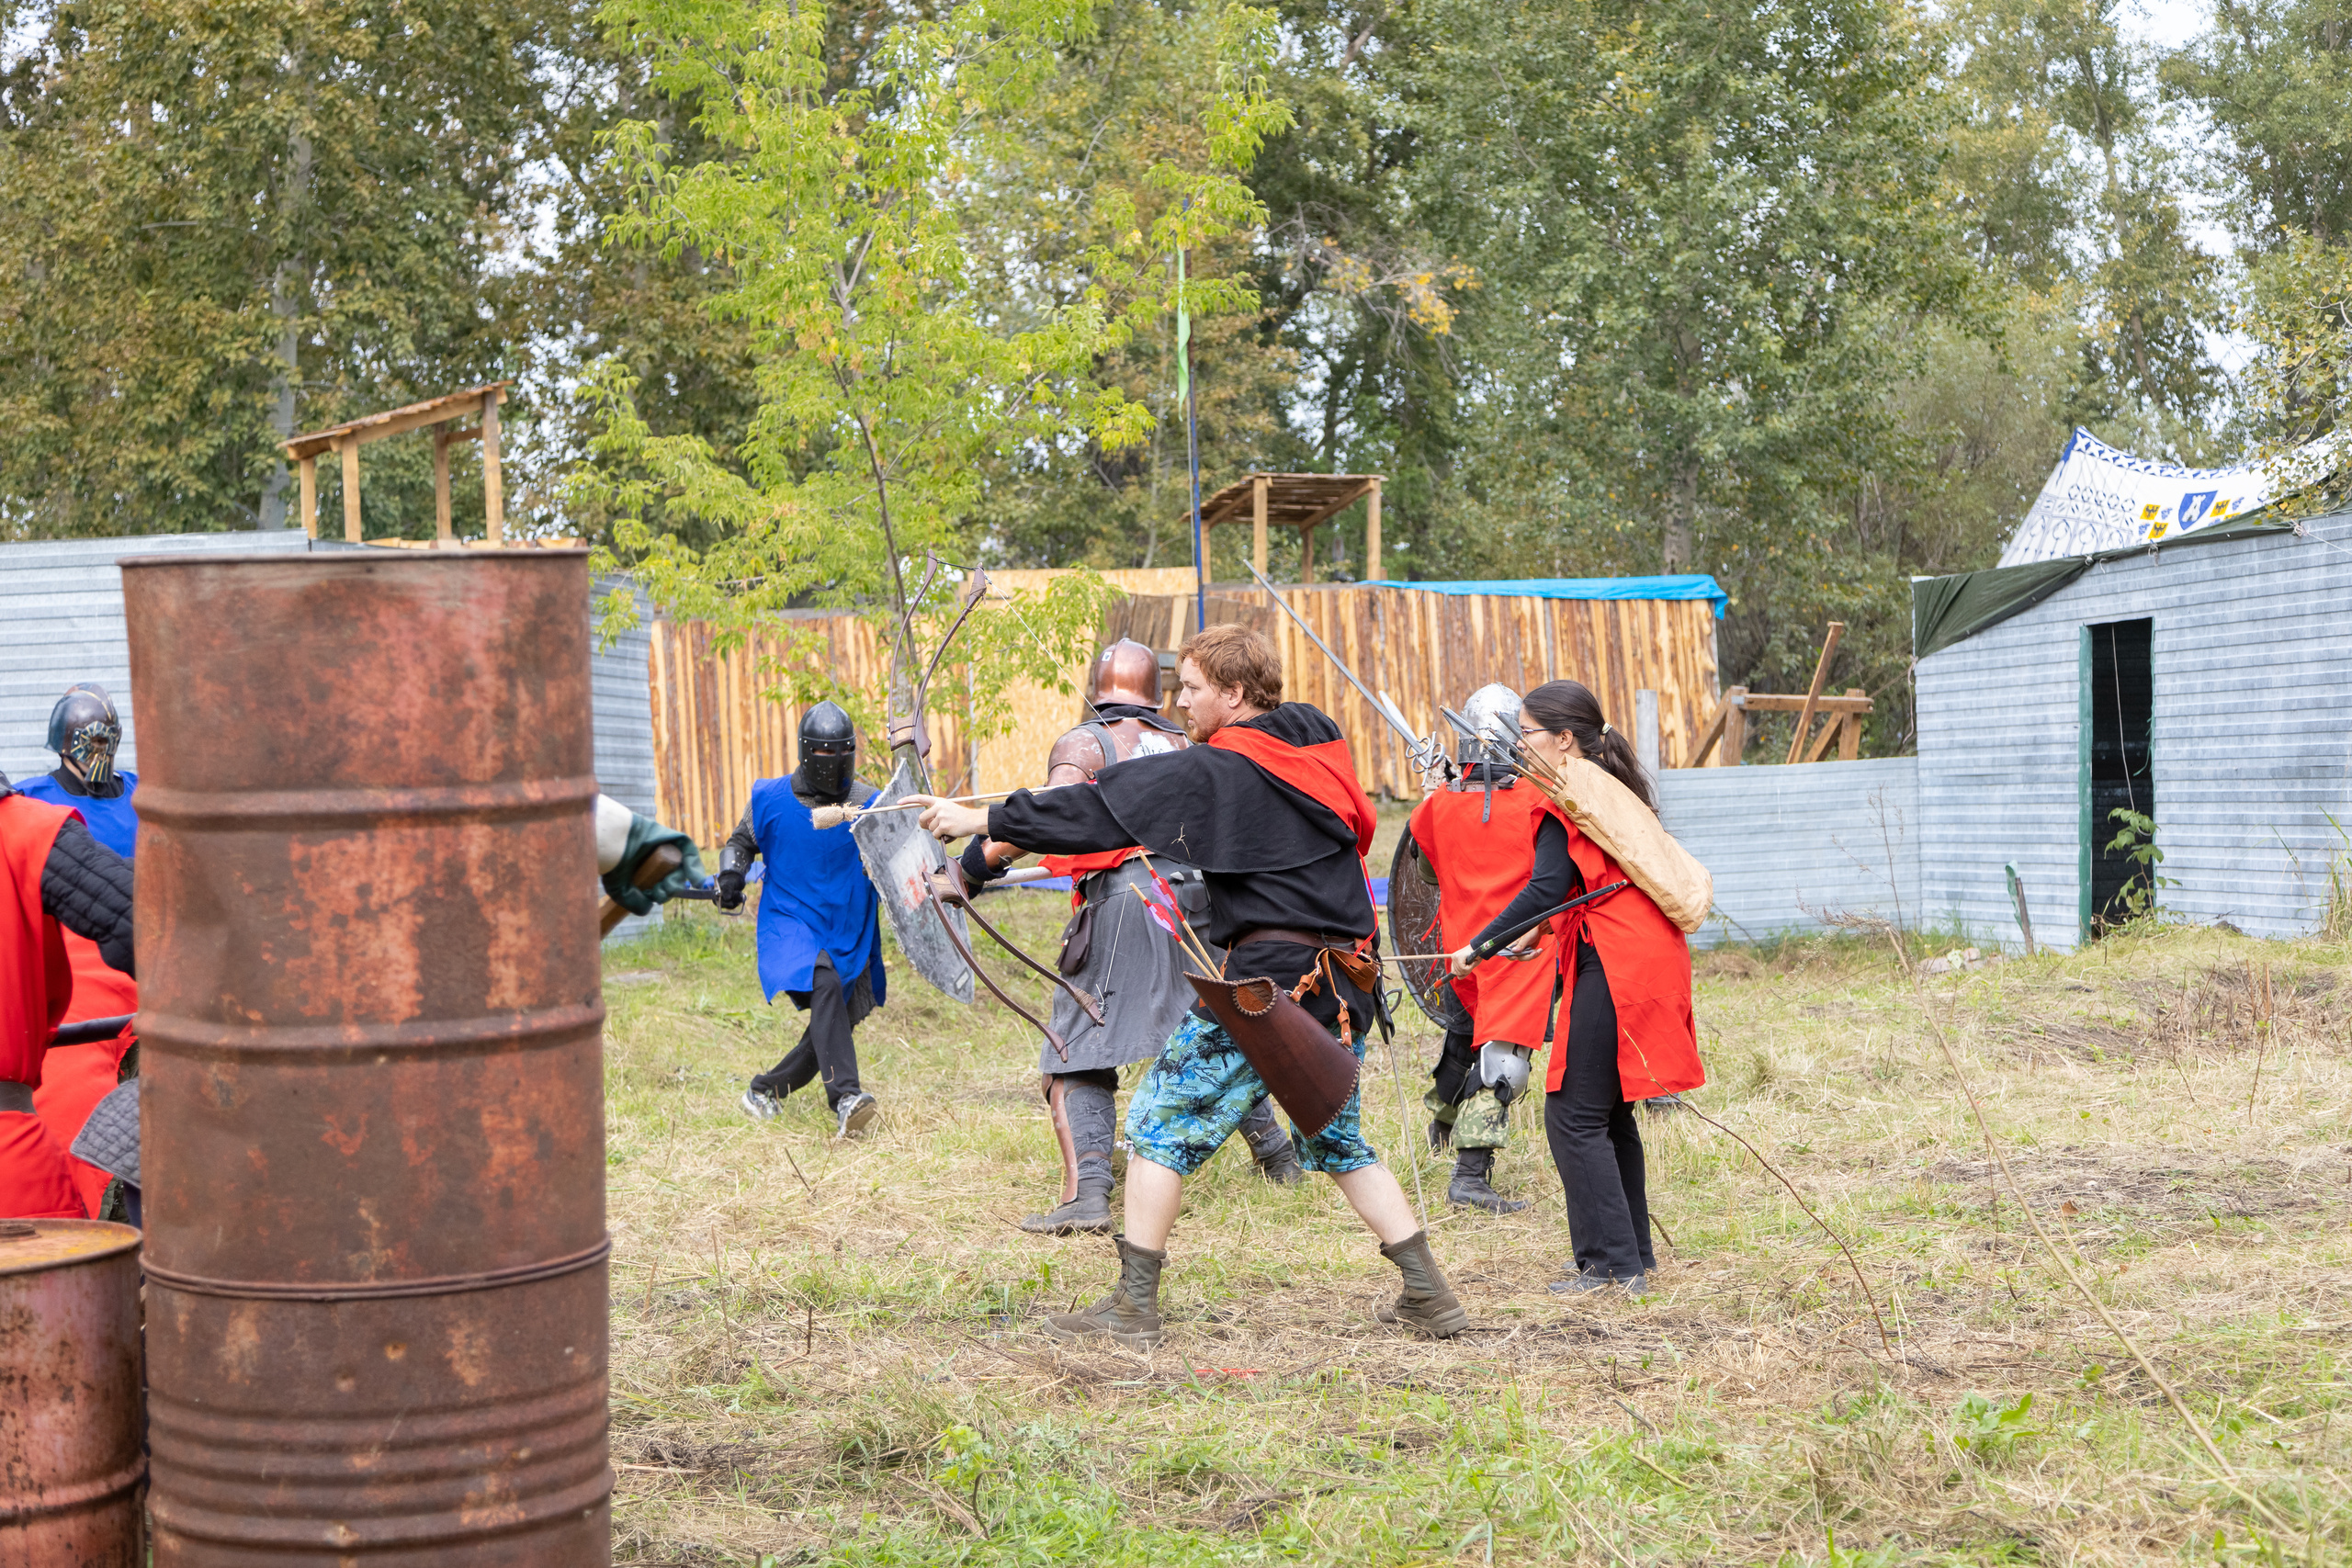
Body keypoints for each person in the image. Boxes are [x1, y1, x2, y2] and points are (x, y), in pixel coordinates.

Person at [921, 623, 1467, 1348]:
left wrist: (982, 816)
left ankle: (1133, 1305)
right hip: (1343, 982)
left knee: (1153, 1123)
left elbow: (1100, 805)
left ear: (1235, 694)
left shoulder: (1226, 768)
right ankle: (1431, 1294)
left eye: (1196, 689)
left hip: (1270, 986)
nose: (1181, 703)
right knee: (1336, 1136)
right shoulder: (1314, 747)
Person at [968, 639, 1302, 1235]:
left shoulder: (1084, 743)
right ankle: (1278, 1158)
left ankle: (1087, 1194)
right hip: (1199, 899)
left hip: (1129, 900)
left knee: (1076, 1047)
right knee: (1213, 1034)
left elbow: (1053, 811)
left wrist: (973, 866)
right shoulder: (1183, 740)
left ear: (1100, 684)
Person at [1447, 680, 1702, 1293]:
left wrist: (1476, 944)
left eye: (1527, 732)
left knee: (1573, 1114)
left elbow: (1544, 887)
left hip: (1621, 958)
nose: (1519, 744)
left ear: (1564, 740)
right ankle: (1627, 1257)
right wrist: (1533, 935)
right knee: (1607, 1112)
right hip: (1632, 951)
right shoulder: (1598, 787)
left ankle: (1612, 1266)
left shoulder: (1569, 794)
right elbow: (1579, 889)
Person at [1406, 682, 1559, 1216]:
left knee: (1463, 1038)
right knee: (1504, 1064)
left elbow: (1425, 872)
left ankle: (1441, 1128)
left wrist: (1438, 792)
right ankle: (1470, 1177)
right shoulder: (1542, 801)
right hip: (1520, 950)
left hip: (1461, 950)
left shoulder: (1436, 806)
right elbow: (1554, 879)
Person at [718, 701, 886, 1140]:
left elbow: (895, 851)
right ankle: (847, 1098)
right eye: (824, 754)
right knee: (825, 982)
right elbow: (741, 841)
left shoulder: (868, 803)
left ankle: (764, 1091)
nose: (832, 765)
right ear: (808, 752)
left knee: (833, 1023)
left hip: (848, 923)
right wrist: (731, 874)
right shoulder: (771, 798)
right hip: (790, 920)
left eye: (841, 753)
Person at [17, 686, 142, 1217]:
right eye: (87, 742)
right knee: (71, 1096)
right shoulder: (31, 804)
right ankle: (89, 1221)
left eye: (105, 741)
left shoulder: (144, 795)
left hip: (149, 949)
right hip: (78, 959)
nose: (99, 755)